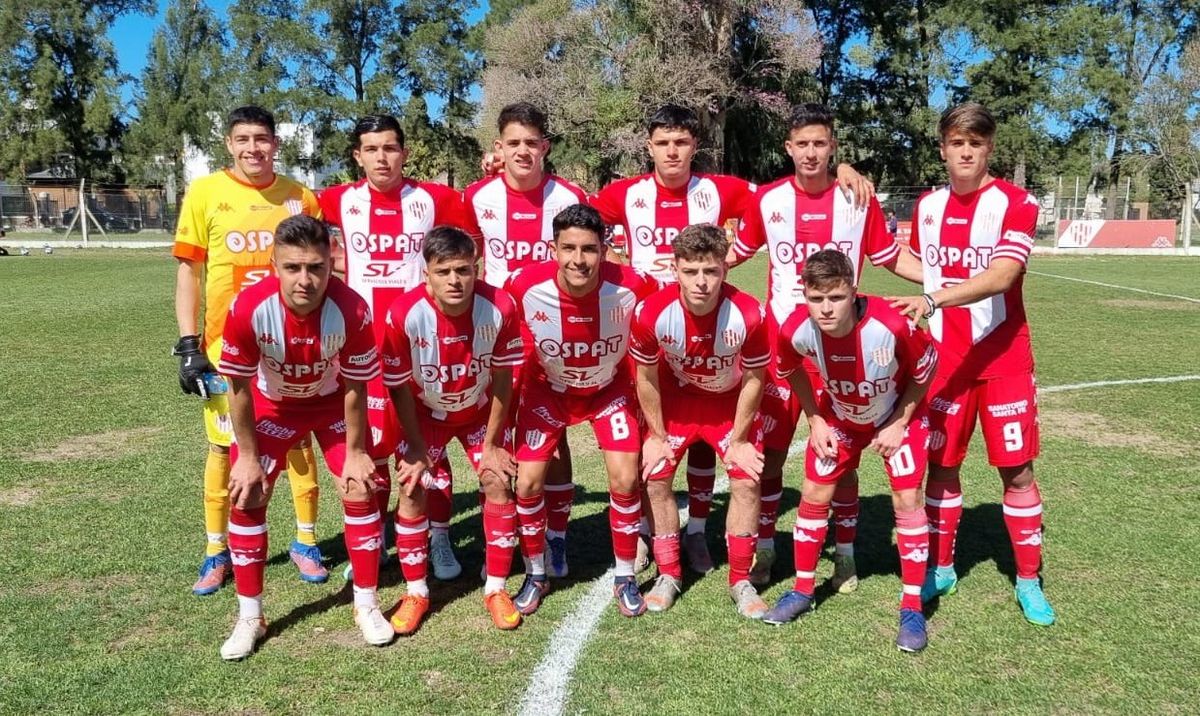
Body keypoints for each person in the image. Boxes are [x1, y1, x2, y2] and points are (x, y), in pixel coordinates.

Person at [591, 104, 877, 575]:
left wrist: (838, 170)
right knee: (652, 440)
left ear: (694, 147)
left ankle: (699, 532)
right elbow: (574, 222)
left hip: (708, 334)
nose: (672, 151)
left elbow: (782, 194)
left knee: (703, 442)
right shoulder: (624, 193)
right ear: (649, 147)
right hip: (646, 333)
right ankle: (643, 531)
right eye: (663, 143)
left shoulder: (721, 190)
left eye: (681, 142)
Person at [728, 103, 918, 588]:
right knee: (770, 455)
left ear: (833, 147)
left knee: (843, 457)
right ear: (787, 148)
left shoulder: (857, 198)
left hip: (842, 353)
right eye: (802, 144)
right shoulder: (767, 199)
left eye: (820, 144)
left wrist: (948, 282)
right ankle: (767, 548)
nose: (811, 153)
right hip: (784, 351)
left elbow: (891, 257)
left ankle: (847, 554)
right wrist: (678, 270)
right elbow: (736, 252)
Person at [891, 102, 1055, 626]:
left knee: (1018, 471)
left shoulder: (1015, 202)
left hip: (1003, 359)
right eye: (957, 143)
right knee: (943, 468)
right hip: (945, 362)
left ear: (989, 149)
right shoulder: (929, 207)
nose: (965, 151)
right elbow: (922, 266)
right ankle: (942, 565)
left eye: (976, 143)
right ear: (942, 149)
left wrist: (936, 299)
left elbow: (1004, 275)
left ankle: (1028, 581)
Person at [216, 215, 390, 660]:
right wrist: (248, 457)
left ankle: (366, 605)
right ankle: (250, 616)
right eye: (293, 268)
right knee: (248, 492)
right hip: (273, 407)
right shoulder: (248, 308)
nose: (305, 279)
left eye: (316, 267)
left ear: (332, 264)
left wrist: (354, 453)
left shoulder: (352, 310)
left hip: (331, 405)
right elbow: (237, 387)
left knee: (358, 487)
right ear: (274, 265)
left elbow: (356, 387)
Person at [172, 105, 328, 595]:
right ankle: (216, 550)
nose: (253, 148)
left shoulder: (300, 197)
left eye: (262, 138)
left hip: (291, 344)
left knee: (299, 441)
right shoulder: (205, 193)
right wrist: (187, 344)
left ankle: (305, 542)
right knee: (226, 448)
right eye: (243, 139)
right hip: (226, 346)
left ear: (276, 143)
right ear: (228, 143)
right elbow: (189, 272)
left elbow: (323, 269)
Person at [319, 115, 473, 582]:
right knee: (374, 444)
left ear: (404, 153)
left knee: (428, 441)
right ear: (357, 156)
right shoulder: (333, 200)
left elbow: (465, 256)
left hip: (421, 342)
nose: (381, 157)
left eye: (390, 148)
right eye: (371, 149)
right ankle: (379, 537)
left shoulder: (437, 199)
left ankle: (440, 536)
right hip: (362, 344)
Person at [764, 249, 937, 652]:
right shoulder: (795, 329)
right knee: (813, 492)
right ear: (804, 295)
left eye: (836, 298)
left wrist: (898, 423)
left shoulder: (892, 322)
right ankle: (804, 591)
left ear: (853, 291)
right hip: (839, 418)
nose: (826, 309)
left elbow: (925, 372)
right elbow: (789, 370)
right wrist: (815, 419)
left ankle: (911, 608)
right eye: (816, 298)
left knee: (907, 498)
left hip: (896, 418)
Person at [505, 203, 657, 617]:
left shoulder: (634, 285)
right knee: (528, 484)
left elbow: (662, 317)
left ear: (605, 250)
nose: (578, 260)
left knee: (626, 479)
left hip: (609, 391)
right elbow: (501, 333)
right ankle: (537, 573)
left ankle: (625, 574)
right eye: (568, 248)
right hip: (547, 392)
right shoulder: (522, 285)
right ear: (552, 248)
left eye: (589, 249)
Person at [379, 226, 525, 634]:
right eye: (443, 271)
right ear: (426, 273)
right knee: (412, 486)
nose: (454, 280)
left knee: (498, 479)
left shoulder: (501, 307)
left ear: (476, 268)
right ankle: (416, 592)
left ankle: (495, 588)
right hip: (424, 413)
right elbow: (399, 387)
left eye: (463, 270)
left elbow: (501, 380)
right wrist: (417, 446)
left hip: (478, 412)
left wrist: (494, 443)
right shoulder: (403, 313)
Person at [465, 102, 587, 579]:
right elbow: (464, 260)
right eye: (512, 142)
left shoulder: (570, 196)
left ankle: (555, 539)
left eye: (531, 143)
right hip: (496, 339)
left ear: (545, 148)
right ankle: (504, 533)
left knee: (551, 442)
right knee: (494, 437)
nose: (522, 151)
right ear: (498, 147)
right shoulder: (475, 197)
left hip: (553, 339)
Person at [630, 224, 770, 617]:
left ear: (725, 270)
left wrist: (740, 440)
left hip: (728, 405)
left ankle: (741, 579)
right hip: (677, 404)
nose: (701, 282)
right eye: (691, 271)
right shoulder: (652, 312)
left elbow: (756, 379)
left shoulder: (749, 313)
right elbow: (645, 377)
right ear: (675, 269)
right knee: (656, 476)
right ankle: (669, 573)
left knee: (746, 481)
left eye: (710, 271)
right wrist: (656, 435)